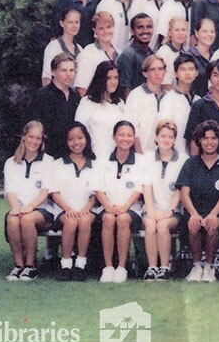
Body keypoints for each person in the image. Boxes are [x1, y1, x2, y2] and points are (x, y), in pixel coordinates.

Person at [178, 120, 219, 283]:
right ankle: (196, 267)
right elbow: (184, 192)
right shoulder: (191, 163)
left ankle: (209, 267)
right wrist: (193, 214)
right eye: (205, 138)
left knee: (212, 225)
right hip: (196, 210)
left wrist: (213, 214)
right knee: (193, 225)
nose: (209, 142)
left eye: (213, 138)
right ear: (199, 141)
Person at [3, 121, 55, 281]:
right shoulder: (11, 163)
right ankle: (19, 266)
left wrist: (31, 206)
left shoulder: (48, 161)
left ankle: (31, 266)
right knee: (12, 220)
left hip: (43, 210)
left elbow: (45, 191)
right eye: (31, 137)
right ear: (24, 137)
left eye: (38, 138)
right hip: (19, 208)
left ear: (42, 140)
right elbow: (10, 190)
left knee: (27, 219)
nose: (34, 141)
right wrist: (14, 207)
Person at [96, 119, 146, 283]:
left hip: (131, 208)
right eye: (121, 135)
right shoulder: (103, 160)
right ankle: (108, 267)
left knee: (123, 219)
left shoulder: (140, 161)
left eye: (129, 135)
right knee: (108, 219)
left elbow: (138, 189)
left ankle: (122, 267)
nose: (125, 139)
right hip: (108, 207)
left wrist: (126, 206)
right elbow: (99, 188)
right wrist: (108, 206)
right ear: (114, 137)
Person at [49, 122, 99, 281]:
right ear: (66, 141)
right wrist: (68, 209)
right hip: (64, 210)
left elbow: (96, 193)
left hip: (87, 210)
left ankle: (80, 264)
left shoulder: (95, 164)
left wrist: (87, 208)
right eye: (71, 139)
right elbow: (55, 193)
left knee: (84, 221)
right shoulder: (57, 164)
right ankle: (66, 264)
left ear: (86, 139)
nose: (76, 142)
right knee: (70, 222)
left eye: (80, 138)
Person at [140, 118, 186, 281]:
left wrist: (169, 212)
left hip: (173, 212)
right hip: (151, 208)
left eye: (170, 137)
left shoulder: (183, 159)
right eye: (163, 136)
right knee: (152, 225)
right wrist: (151, 211)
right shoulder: (147, 158)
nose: (166, 140)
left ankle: (164, 268)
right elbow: (146, 186)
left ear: (174, 139)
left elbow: (180, 190)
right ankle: (152, 268)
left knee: (163, 225)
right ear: (156, 137)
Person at [29, 53, 81, 160]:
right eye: (63, 70)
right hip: (48, 155)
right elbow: (35, 127)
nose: (68, 74)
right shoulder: (41, 95)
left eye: (71, 70)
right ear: (53, 72)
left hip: (70, 154)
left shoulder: (75, 96)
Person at [186, 60, 219, 158]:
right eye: (215, 75)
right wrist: (196, 166)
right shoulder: (199, 106)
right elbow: (194, 140)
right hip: (206, 165)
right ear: (209, 78)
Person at [74, 60, 126, 159]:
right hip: (94, 158)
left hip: (116, 160)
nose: (113, 82)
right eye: (109, 78)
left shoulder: (120, 103)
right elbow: (79, 132)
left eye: (116, 78)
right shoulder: (87, 102)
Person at [124, 55, 168, 155]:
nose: (158, 73)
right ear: (145, 73)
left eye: (160, 69)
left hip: (163, 155)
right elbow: (132, 129)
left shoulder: (169, 97)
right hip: (142, 154)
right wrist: (140, 155)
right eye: (153, 69)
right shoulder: (136, 95)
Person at [158, 53, 200, 153]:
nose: (187, 73)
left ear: (197, 72)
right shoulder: (169, 99)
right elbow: (165, 131)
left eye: (191, 69)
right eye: (183, 69)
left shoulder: (198, 100)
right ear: (175, 73)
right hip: (175, 155)